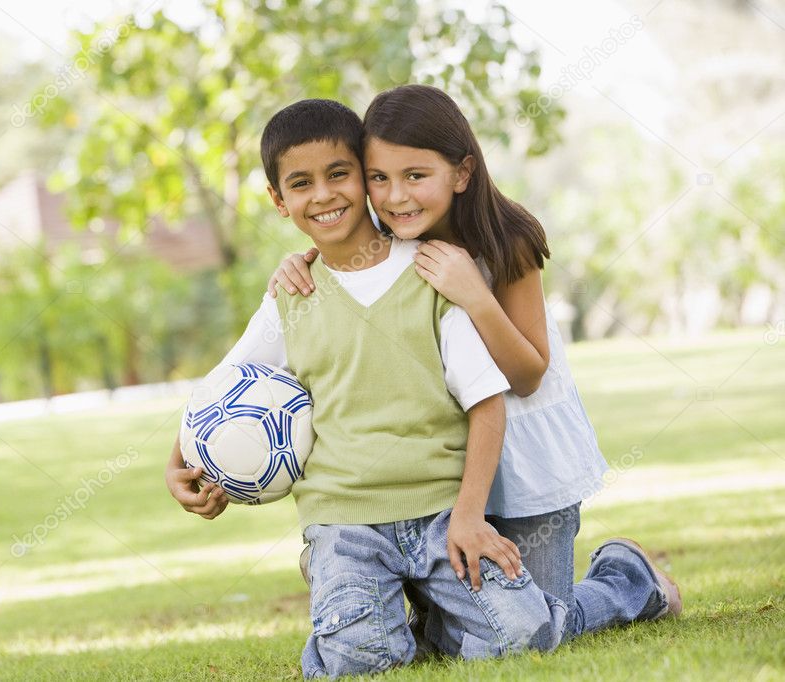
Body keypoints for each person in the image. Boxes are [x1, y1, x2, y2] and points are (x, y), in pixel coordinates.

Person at [166, 98, 566, 678]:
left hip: (439, 513)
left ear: (363, 176)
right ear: (279, 202)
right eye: (301, 184)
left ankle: (620, 582)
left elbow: (489, 402)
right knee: (363, 658)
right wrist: (177, 464)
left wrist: (470, 515)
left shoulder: (432, 273)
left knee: (520, 633)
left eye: (340, 174)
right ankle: (347, 601)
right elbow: (216, 394)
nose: (324, 195)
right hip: (344, 522)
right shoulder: (290, 297)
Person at [265, 84, 681, 642]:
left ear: (461, 173)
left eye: (416, 176)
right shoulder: (390, 245)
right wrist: (299, 264)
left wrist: (474, 295)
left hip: (525, 455)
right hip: (443, 466)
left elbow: (529, 376)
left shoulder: (507, 241)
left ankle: (628, 579)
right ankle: (350, 572)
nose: (395, 197)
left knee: (536, 621)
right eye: (380, 178)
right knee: (464, 608)